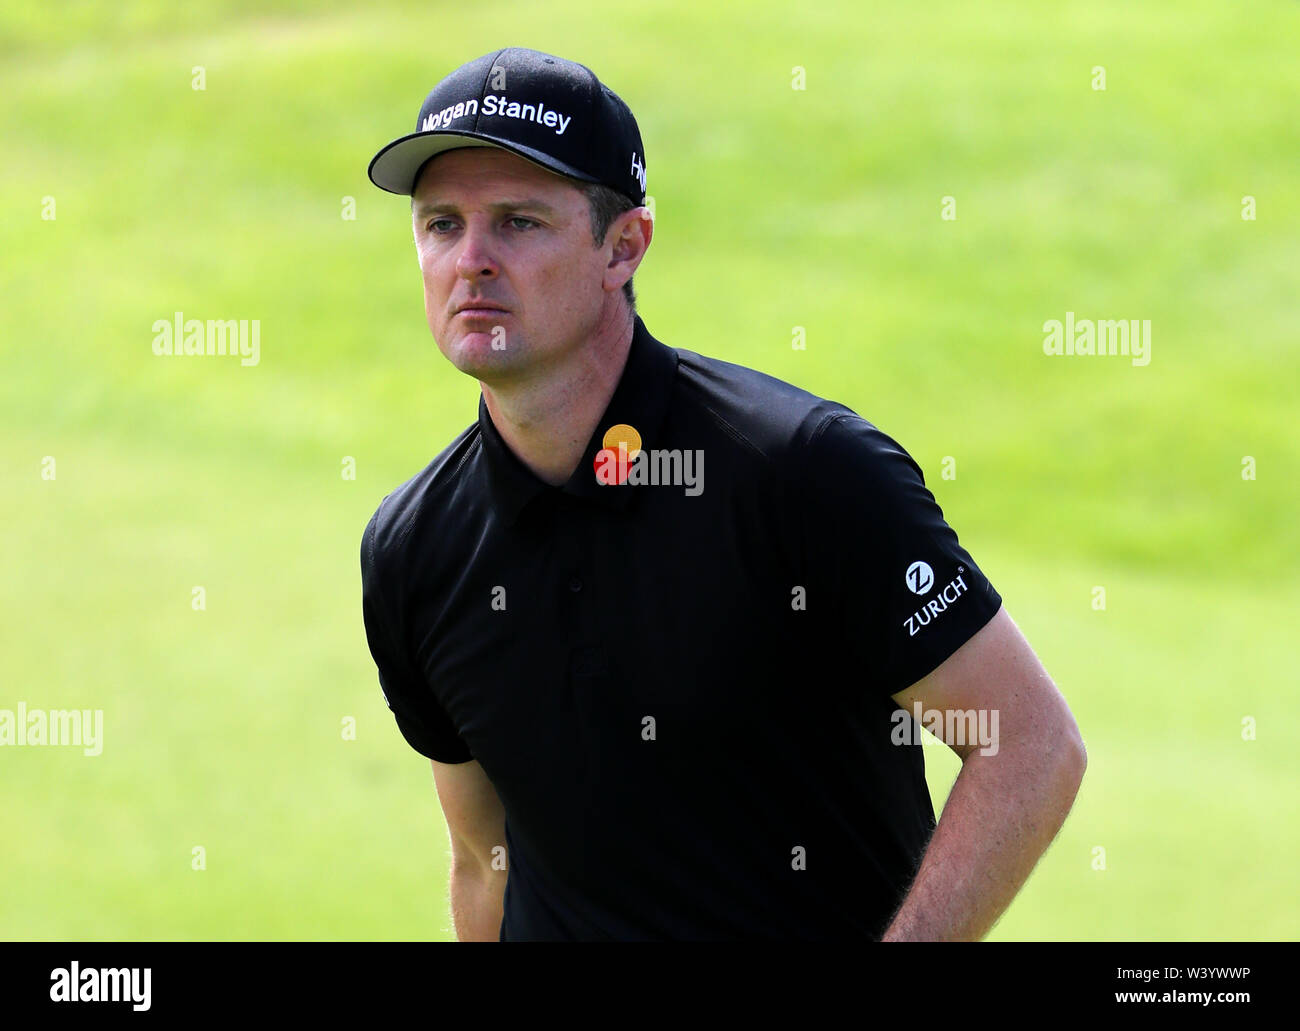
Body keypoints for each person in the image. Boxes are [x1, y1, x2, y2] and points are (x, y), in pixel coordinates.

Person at [360, 47, 1086, 941]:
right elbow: (483, 859)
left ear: (623, 246)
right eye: (440, 225)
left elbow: (1029, 743)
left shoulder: (802, 472)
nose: (470, 261)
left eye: (517, 223)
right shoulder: (411, 549)